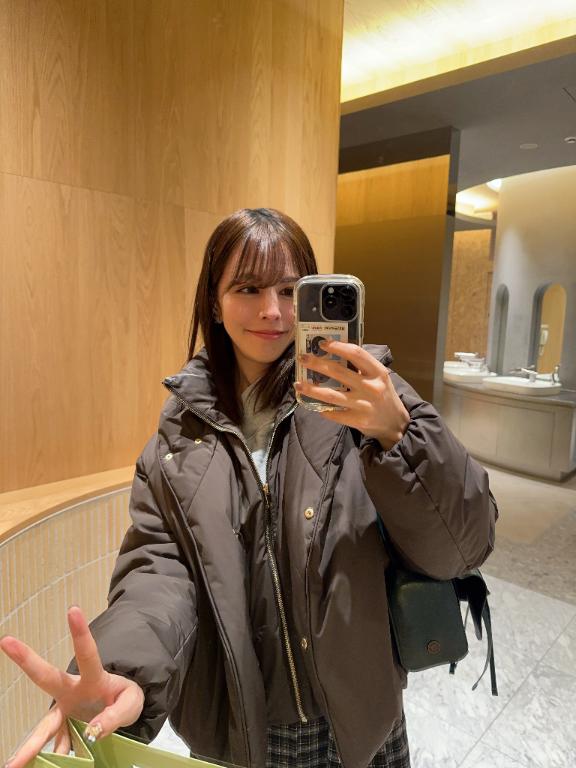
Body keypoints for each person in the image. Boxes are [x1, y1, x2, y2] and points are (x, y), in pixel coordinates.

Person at [1, 208, 497, 768]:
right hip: (244, 730)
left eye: (290, 290)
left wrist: (398, 435)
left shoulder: (372, 399)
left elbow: (462, 546)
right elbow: (159, 573)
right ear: (214, 302)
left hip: (360, 724)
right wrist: (122, 668)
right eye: (248, 288)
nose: (273, 311)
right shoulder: (178, 441)